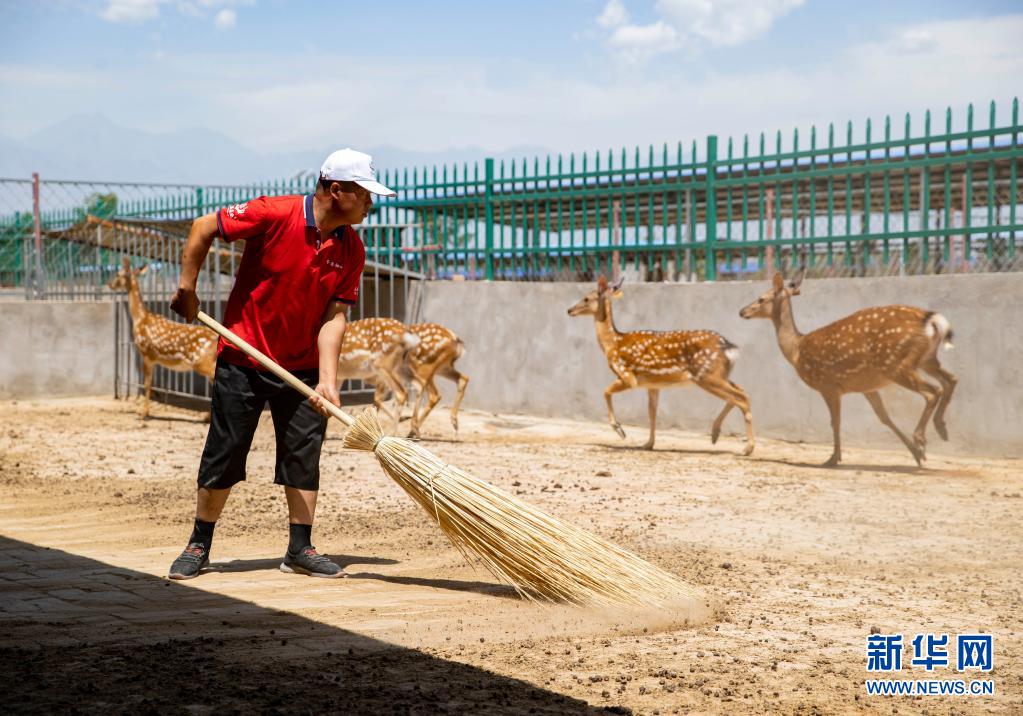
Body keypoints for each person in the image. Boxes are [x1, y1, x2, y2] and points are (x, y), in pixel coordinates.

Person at [166, 149, 395, 579]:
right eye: (365, 194)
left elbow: (334, 315)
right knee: (225, 451)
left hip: (303, 369)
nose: (371, 203)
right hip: (243, 358)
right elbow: (203, 227)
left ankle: (300, 549)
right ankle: (199, 544)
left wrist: (327, 381)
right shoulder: (274, 214)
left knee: (303, 456)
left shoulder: (351, 248)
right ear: (336, 190)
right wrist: (187, 287)